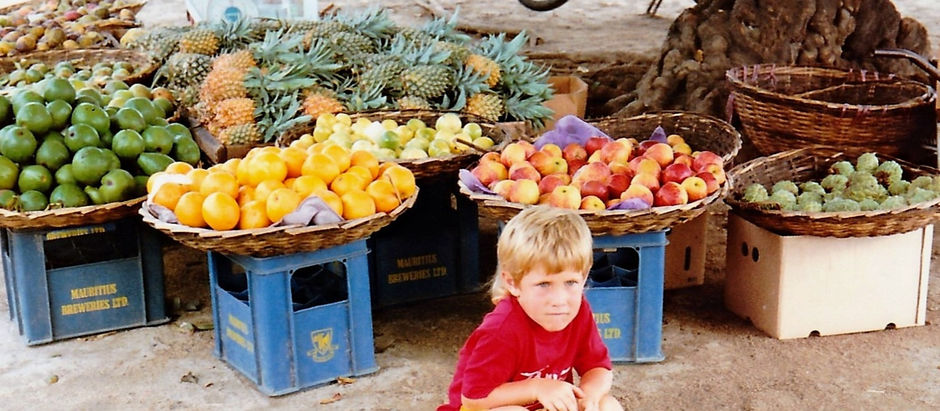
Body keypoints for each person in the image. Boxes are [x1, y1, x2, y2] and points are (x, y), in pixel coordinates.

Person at [438, 206, 623, 411]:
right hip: (482, 408)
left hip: (543, 405)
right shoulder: (501, 329)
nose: (559, 300)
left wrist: (589, 397)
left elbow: (598, 367)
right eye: (544, 284)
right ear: (513, 283)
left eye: (570, 282)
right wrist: (536, 387)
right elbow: (474, 399)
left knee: (607, 405)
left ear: (585, 275)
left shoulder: (577, 312)